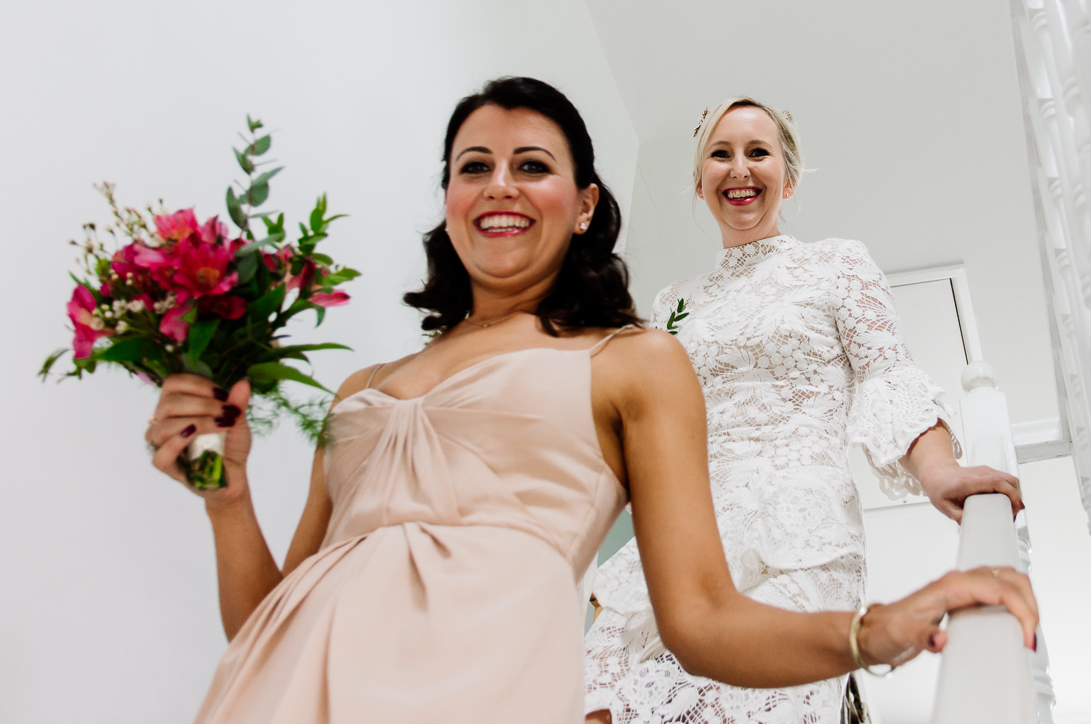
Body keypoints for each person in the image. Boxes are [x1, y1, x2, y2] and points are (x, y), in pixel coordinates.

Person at [141, 78, 1038, 723]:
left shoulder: (639, 352)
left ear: (582, 204)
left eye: (531, 164)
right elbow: (271, 624)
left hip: (546, 649)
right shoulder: (364, 389)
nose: (498, 183)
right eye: (472, 165)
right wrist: (225, 495)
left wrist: (930, 491)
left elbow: (883, 375)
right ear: (448, 199)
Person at [584, 98, 1025, 724]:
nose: (739, 168)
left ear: (787, 179)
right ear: (699, 181)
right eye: (721, 153)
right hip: (681, 540)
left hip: (797, 528)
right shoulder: (672, 301)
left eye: (758, 152)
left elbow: (885, 373)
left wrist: (939, 470)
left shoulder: (836, 263)